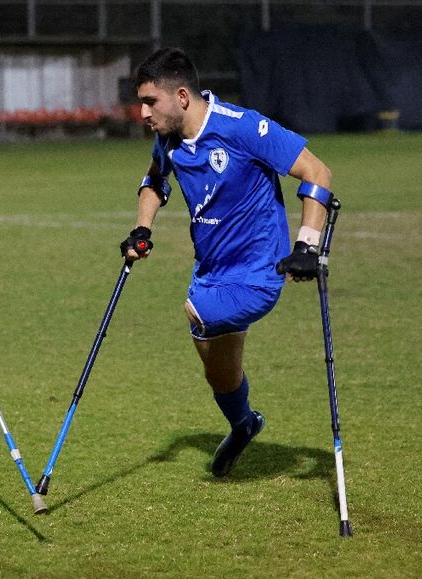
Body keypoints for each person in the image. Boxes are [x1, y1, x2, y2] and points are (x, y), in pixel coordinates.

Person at [121, 47, 332, 477]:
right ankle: (243, 424)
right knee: (219, 373)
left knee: (199, 313)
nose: (141, 112)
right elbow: (155, 180)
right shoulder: (169, 140)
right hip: (211, 272)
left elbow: (317, 172)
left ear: (181, 96)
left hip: (260, 272)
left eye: (149, 101)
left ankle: (241, 419)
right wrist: (143, 229)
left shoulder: (243, 128)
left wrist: (308, 246)